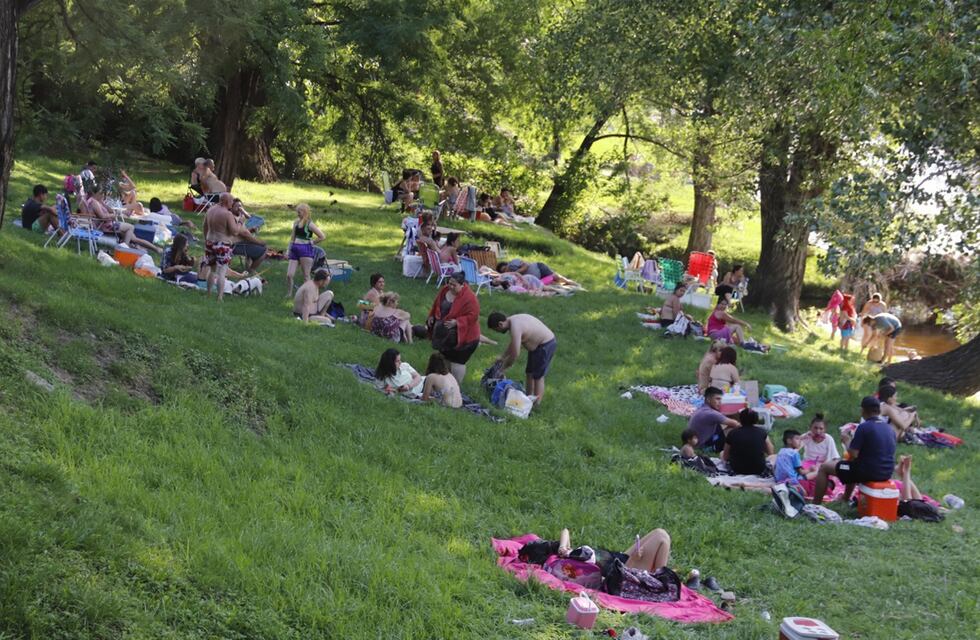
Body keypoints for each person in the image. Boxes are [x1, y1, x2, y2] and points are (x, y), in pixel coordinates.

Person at [812, 396, 896, 503]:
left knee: (824, 467)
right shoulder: (889, 428)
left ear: (863, 410)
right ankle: (845, 498)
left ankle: (816, 504)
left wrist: (846, 441)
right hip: (887, 472)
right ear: (879, 410)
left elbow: (854, 453)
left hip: (868, 472)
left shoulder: (864, 427)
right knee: (850, 465)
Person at [487, 312, 557, 406]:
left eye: (497, 330)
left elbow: (515, 353)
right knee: (529, 373)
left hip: (545, 344)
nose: (498, 332)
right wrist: (503, 357)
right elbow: (513, 345)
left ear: (500, 324)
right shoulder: (512, 320)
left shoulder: (515, 327)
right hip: (537, 346)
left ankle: (536, 404)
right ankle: (528, 398)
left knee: (538, 376)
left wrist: (504, 368)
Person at [427, 271, 482, 384]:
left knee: (457, 362)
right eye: (449, 283)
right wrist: (432, 316)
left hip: (466, 338)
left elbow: (473, 316)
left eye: (454, 285)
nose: (450, 286)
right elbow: (436, 304)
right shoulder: (445, 290)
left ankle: (456, 387)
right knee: (445, 357)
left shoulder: (470, 298)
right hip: (446, 335)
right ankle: (445, 383)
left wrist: (457, 322)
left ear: (462, 285)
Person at [554, 527, 672, 575]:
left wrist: (562, 548)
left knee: (659, 532)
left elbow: (565, 531)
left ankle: (661, 579)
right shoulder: (575, 569)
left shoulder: (570, 555)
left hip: (621, 557)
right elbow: (617, 578)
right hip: (626, 570)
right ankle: (661, 581)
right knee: (662, 537)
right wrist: (633, 560)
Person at [84, 186, 162, 254]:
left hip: (109, 224)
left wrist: (106, 205)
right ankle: (124, 249)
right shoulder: (93, 203)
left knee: (134, 239)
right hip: (106, 226)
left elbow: (110, 210)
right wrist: (115, 215)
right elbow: (103, 216)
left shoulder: (97, 201)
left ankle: (155, 249)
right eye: (100, 193)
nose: (102, 195)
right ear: (95, 193)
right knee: (130, 227)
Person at [202, 192, 240, 301]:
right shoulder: (227, 214)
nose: (232, 203)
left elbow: (204, 226)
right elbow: (235, 231)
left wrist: (206, 239)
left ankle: (208, 294)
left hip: (210, 242)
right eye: (231, 201)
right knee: (222, 272)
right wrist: (240, 222)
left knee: (212, 269)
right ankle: (219, 297)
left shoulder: (210, 210)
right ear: (226, 201)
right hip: (222, 244)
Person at [285, 203, 326, 293]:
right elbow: (292, 238)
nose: (297, 214)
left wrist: (312, 242)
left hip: (305, 250)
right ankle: (289, 294)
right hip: (294, 249)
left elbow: (322, 236)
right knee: (289, 274)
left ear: (304, 212)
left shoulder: (310, 224)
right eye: (297, 212)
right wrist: (288, 250)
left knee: (306, 276)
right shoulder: (296, 222)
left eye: (299, 212)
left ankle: (309, 294)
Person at [687, 387, 740, 452]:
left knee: (725, 423)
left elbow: (722, 416)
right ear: (708, 399)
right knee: (732, 429)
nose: (720, 402)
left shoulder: (702, 409)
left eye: (721, 399)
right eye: (717, 399)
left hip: (696, 443)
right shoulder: (711, 414)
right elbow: (736, 424)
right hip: (704, 447)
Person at [722, 408, 774, 475]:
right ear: (756, 419)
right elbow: (771, 452)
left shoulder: (732, 433)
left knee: (721, 453)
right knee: (774, 457)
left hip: (736, 469)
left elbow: (725, 456)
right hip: (759, 469)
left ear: (740, 419)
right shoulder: (762, 432)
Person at [230, 200, 267, 274]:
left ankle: (248, 267)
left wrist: (251, 230)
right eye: (236, 206)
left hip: (240, 243)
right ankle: (251, 270)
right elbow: (245, 235)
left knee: (255, 246)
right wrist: (260, 242)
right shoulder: (233, 218)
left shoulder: (238, 216)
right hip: (235, 245)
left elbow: (242, 232)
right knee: (264, 250)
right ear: (231, 208)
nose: (239, 208)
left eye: (240, 206)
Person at [498, 259, 580, 288]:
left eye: (505, 269)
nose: (506, 271)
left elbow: (526, 265)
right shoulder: (508, 276)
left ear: (507, 264)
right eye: (503, 271)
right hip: (538, 278)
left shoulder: (512, 263)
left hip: (539, 268)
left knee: (556, 277)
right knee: (552, 281)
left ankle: (571, 282)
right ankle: (565, 283)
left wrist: (515, 272)